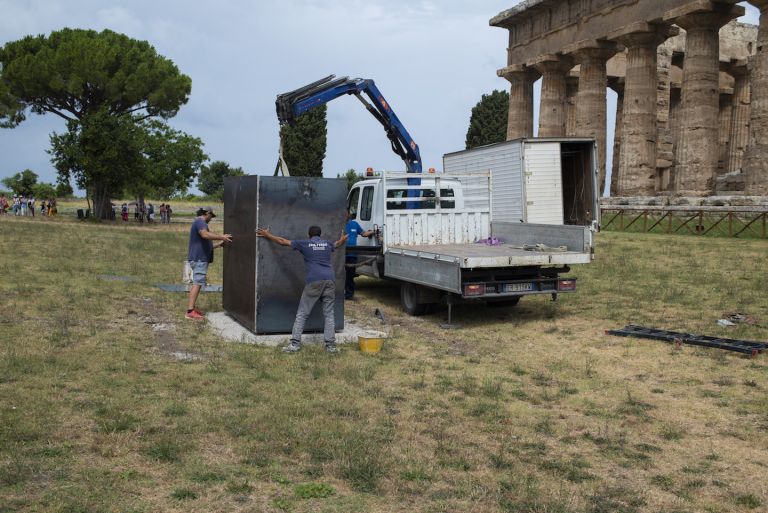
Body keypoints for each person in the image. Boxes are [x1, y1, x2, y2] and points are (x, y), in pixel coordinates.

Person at [256, 225, 347, 353]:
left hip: (314, 280)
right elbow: (336, 244)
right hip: (330, 280)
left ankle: (294, 345)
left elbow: (283, 242)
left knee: (302, 313)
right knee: (329, 314)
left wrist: (267, 235)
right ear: (320, 235)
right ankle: (331, 346)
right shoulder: (326, 244)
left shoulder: (305, 244)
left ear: (309, 235)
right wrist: (342, 239)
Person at [186, 206, 232, 320]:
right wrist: (222, 236)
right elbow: (205, 235)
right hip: (199, 259)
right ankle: (190, 311)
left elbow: (206, 246)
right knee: (197, 283)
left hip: (199, 258)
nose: (211, 219)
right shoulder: (201, 222)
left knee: (198, 283)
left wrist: (219, 244)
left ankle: (192, 309)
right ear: (207, 213)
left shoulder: (198, 222)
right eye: (211, 216)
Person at [343, 210, 373, 300]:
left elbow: (363, 233)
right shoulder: (337, 224)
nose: (344, 215)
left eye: (346, 213)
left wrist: (371, 232)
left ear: (349, 214)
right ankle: (339, 293)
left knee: (350, 276)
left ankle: (349, 294)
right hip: (341, 256)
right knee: (341, 275)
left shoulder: (354, 224)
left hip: (352, 255)